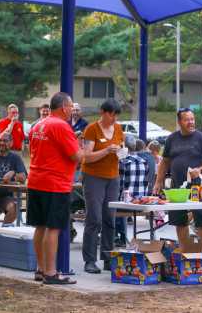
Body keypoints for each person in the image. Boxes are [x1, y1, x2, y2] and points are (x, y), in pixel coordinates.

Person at [27, 92, 83, 285]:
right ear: (64, 108)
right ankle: (51, 272)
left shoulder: (38, 125)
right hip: (55, 183)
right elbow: (77, 157)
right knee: (54, 228)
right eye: (70, 107)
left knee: (40, 226)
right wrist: (87, 149)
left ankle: (40, 269)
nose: (72, 110)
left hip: (36, 180)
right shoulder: (61, 125)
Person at [152, 108, 202, 266]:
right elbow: (165, 162)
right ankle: (186, 251)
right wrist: (158, 181)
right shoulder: (171, 139)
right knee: (179, 220)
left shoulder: (201, 138)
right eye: (187, 119)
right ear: (179, 122)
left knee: (201, 219)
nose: (191, 122)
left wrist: (201, 169)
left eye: (192, 119)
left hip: (198, 185)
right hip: (177, 186)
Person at [81, 99, 124, 274]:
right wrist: (106, 150)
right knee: (95, 218)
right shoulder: (92, 129)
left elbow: (120, 148)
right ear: (103, 112)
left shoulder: (119, 129)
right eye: (111, 114)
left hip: (113, 177)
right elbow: (86, 157)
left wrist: (121, 151)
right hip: (93, 177)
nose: (113, 118)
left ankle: (107, 258)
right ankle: (89, 260)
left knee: (109, 218)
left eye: (116, 115)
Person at [115, 135, 151, 247]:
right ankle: (120, 237)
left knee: (109, 204)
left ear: (124, 146)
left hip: (127, 202)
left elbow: (118, 185)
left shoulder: (122, 162)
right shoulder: (144, 162)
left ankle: (116, 237)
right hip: (141, 202)